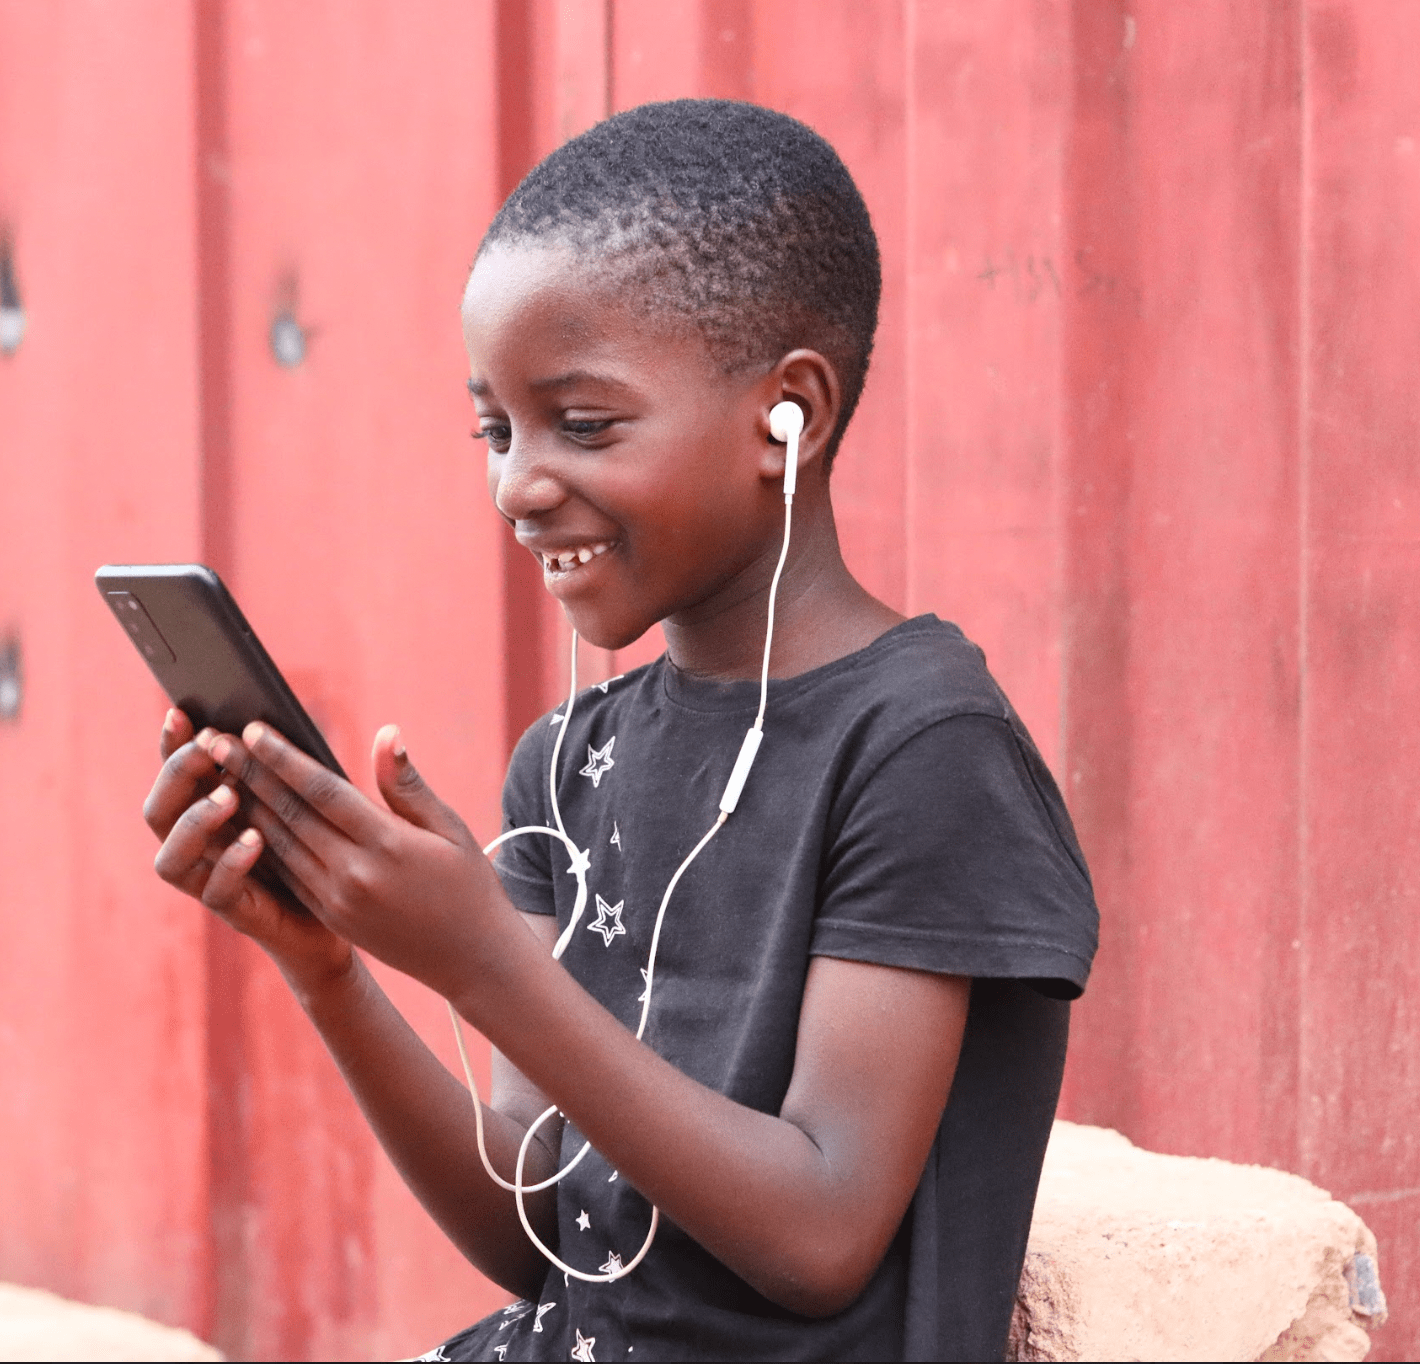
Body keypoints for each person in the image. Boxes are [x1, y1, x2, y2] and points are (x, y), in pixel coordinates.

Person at [142, 100, 1098, 1362]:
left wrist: (485, 965)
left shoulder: (919, 747)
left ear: (786, 415)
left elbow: (820, 1236)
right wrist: (331, 966)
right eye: (495, 427)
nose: (516, 482)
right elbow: (543, 1234)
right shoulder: (571, 759)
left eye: (581, 423)